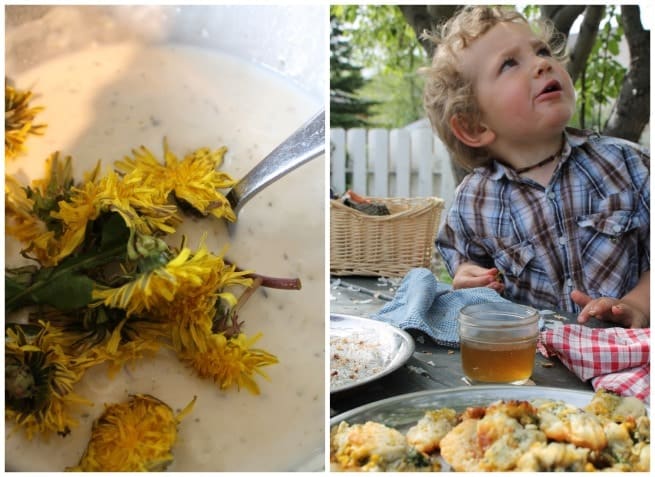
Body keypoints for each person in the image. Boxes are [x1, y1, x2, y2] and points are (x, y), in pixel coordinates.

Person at [422, 6, 649, 328]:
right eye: (509, 63)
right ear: (474, 126)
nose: (542, 63)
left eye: (541, 50)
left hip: (629, 352)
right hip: (536, 361)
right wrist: (468, 276)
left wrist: (637, 306)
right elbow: (465, 263)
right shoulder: (474, 202)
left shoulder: (626, 165)